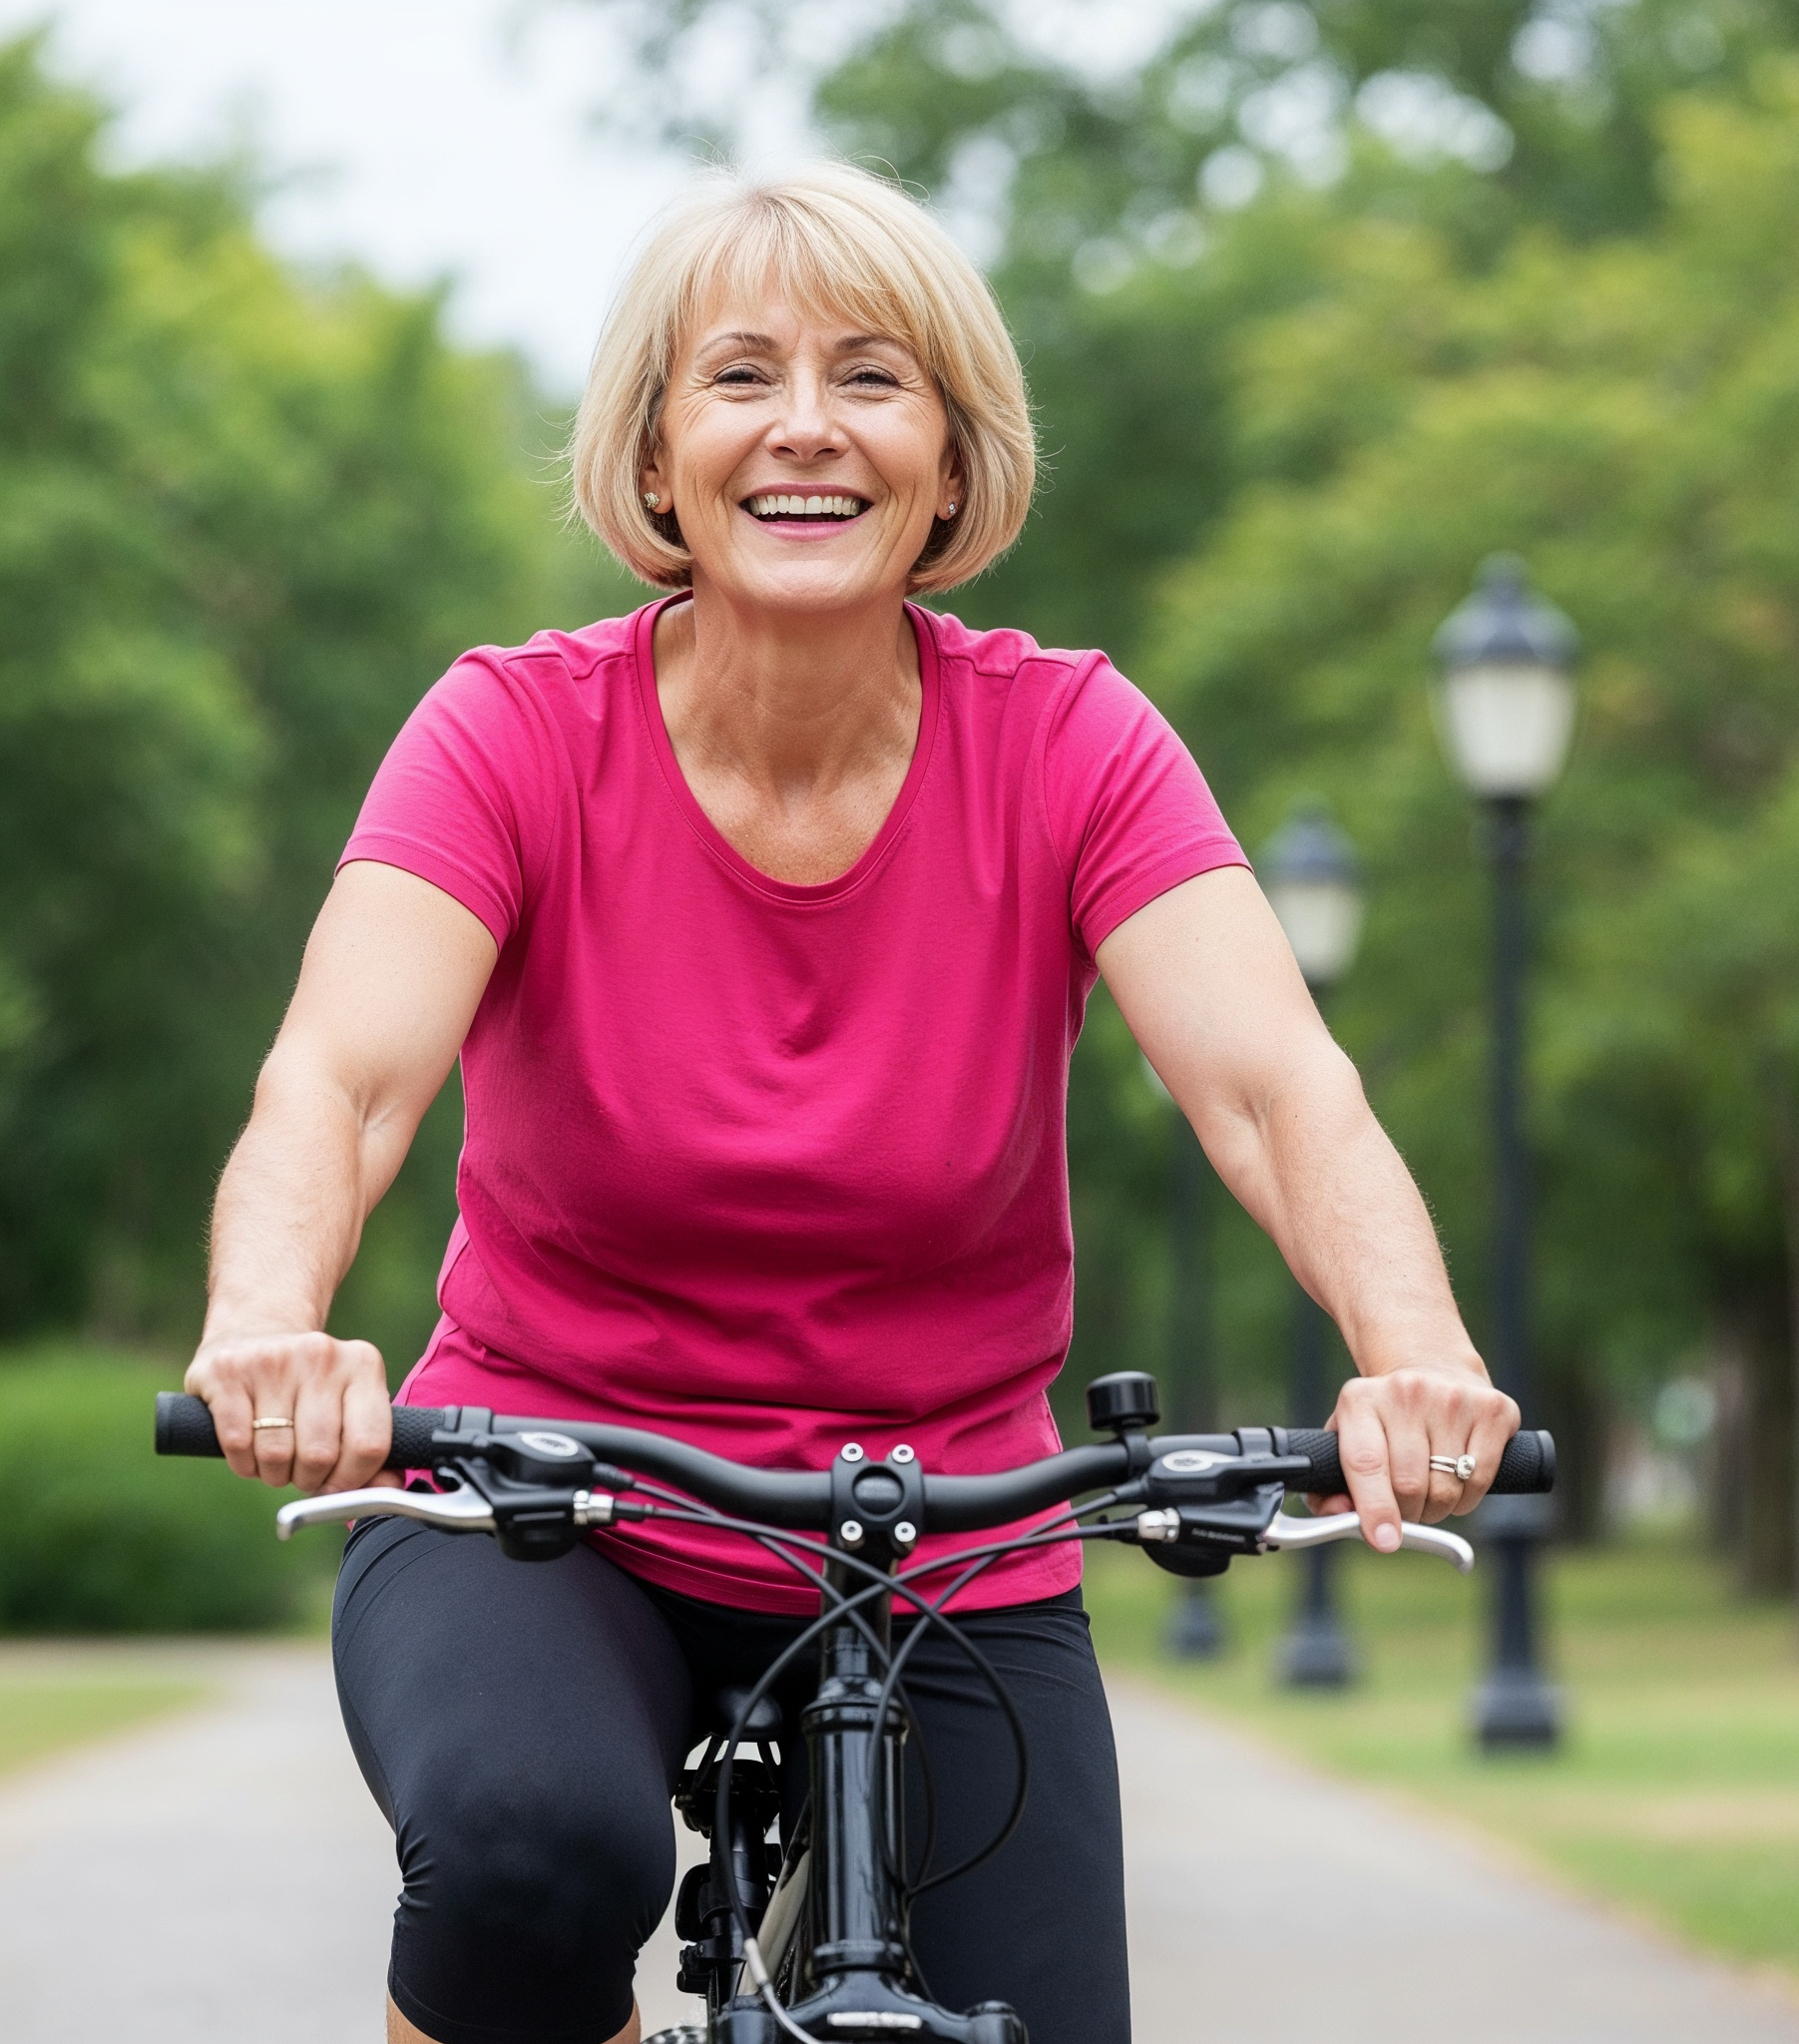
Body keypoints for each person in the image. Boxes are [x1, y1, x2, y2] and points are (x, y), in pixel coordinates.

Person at [184, 164, 1519, 2044]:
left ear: (953, 462)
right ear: (655, 457)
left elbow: (1273, 1090)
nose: (805, 427)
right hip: (545, 1498)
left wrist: (1416, 1353)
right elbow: (340, 1079)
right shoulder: (508, 732)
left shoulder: (1071, 743)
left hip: (948, 1524)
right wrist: (266, 1330)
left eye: (873, 379)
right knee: (524, 1858)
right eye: (739, 378)